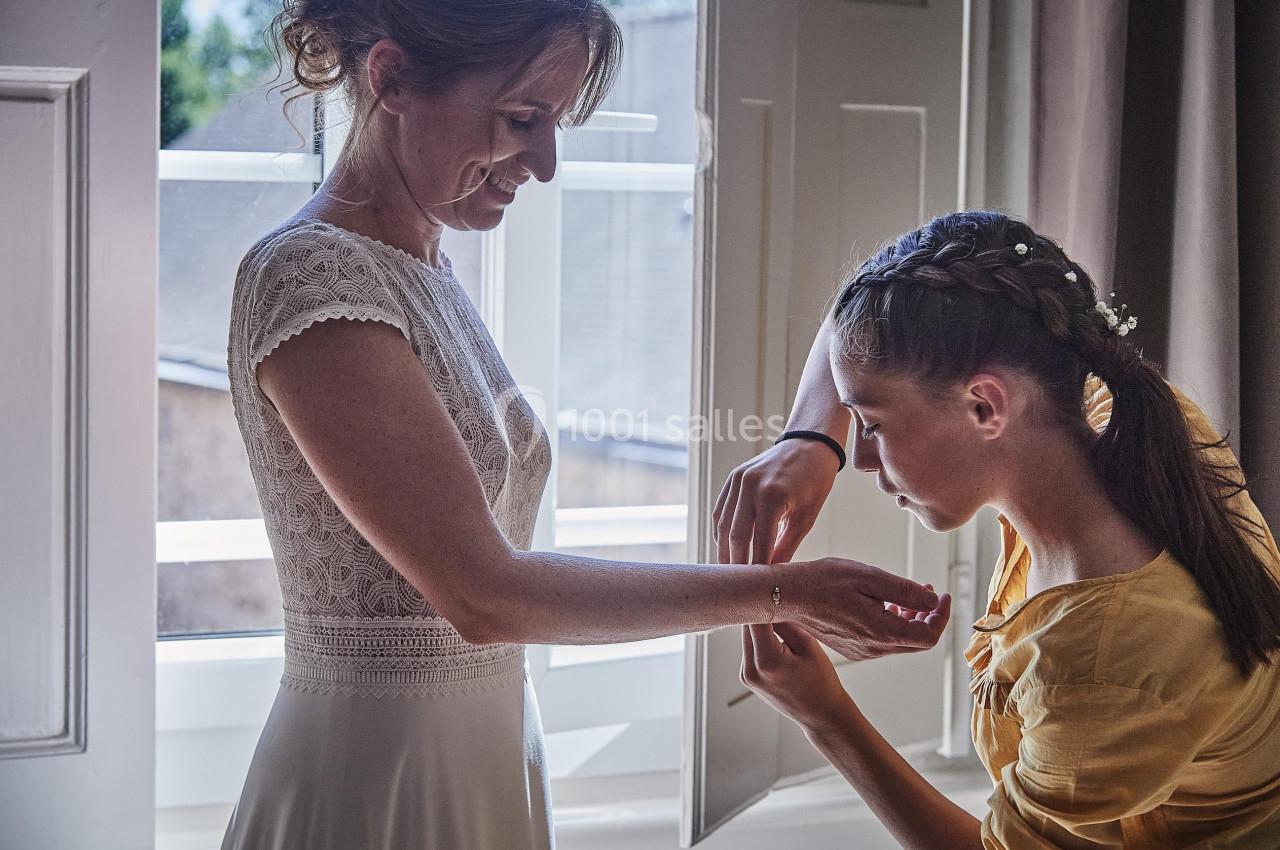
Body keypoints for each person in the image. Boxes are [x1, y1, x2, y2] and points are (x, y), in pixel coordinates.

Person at [220, 3, 947, 848]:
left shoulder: (426, 269)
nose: (545, 164)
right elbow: (482, 594)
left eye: (553, 126)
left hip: (485, 745)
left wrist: (807, 442)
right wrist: (786, 590)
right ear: (390, 78)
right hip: (378, 773)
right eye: (521, 119)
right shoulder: (312, 278)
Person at [727, 211, 1280, 848]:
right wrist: (808, 438)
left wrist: (824, 715)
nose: (860, 459)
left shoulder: (1102, 663)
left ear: (985, 405)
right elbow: (872, 306)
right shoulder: (1105, 417)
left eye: (870, 424)